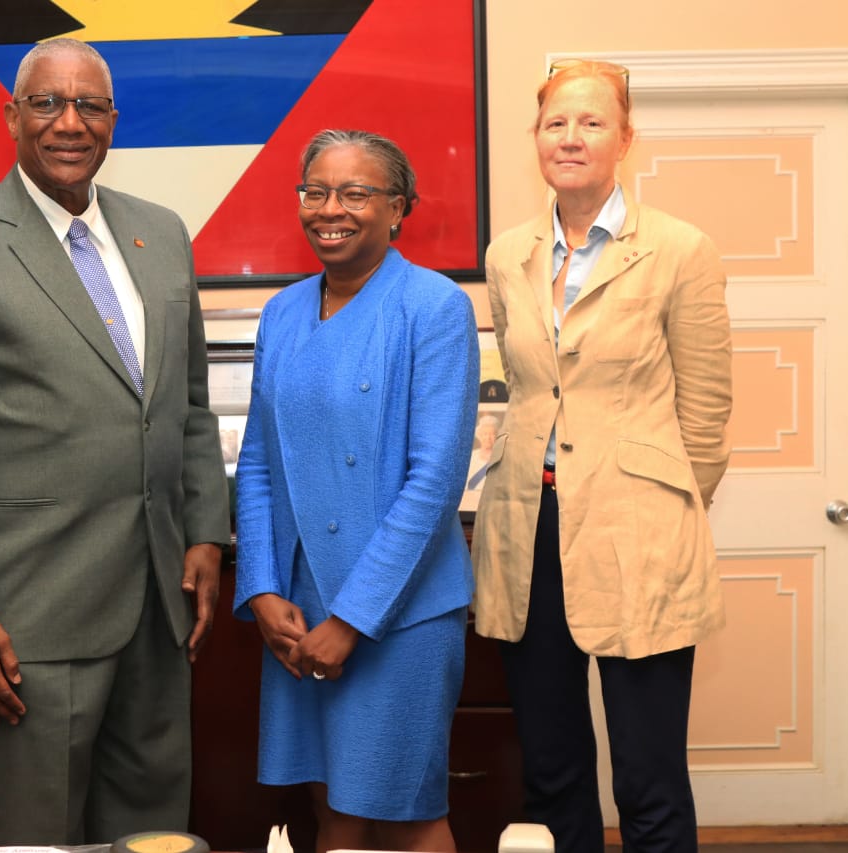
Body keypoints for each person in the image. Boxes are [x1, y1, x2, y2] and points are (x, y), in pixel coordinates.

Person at [0, 38, 230, 845]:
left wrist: (207, 531)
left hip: (157, 604)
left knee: (154, 835)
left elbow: (188, 404)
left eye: (89, 106)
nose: (69, 122)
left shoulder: (162, 234)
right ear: (12, 116)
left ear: (114, 121)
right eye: (47, 103)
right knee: (37, 837)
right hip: (25, 622)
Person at [471, 59, 732, 852]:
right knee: (550, 772)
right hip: (528, 532)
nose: (571, 138)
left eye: (591, 122)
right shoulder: (507, 254)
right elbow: (522, 390)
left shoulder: (681, 251)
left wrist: (662, 506)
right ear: (537, 141)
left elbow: (708, 414)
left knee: (648, 777)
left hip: (639, 535)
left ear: (626, 138)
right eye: (556, 123)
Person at [234, 129, 479, 853]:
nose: (330, 208)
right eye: (315, 191)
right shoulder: (282, 312)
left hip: (397, 613)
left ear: (397, 207)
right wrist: (263, 589)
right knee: (332, 809)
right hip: (299, 610)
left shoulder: (433, 307)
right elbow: (256, 463)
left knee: (405, 811)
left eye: (355, 192)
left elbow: (434, 480)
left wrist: (352, 619)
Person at [467, 413, 501, 490]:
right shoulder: (471, 457)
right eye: (485, 434)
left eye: (492, 434)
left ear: (497, 436)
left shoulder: (502, 457)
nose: (488, 438)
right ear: (479, 435)